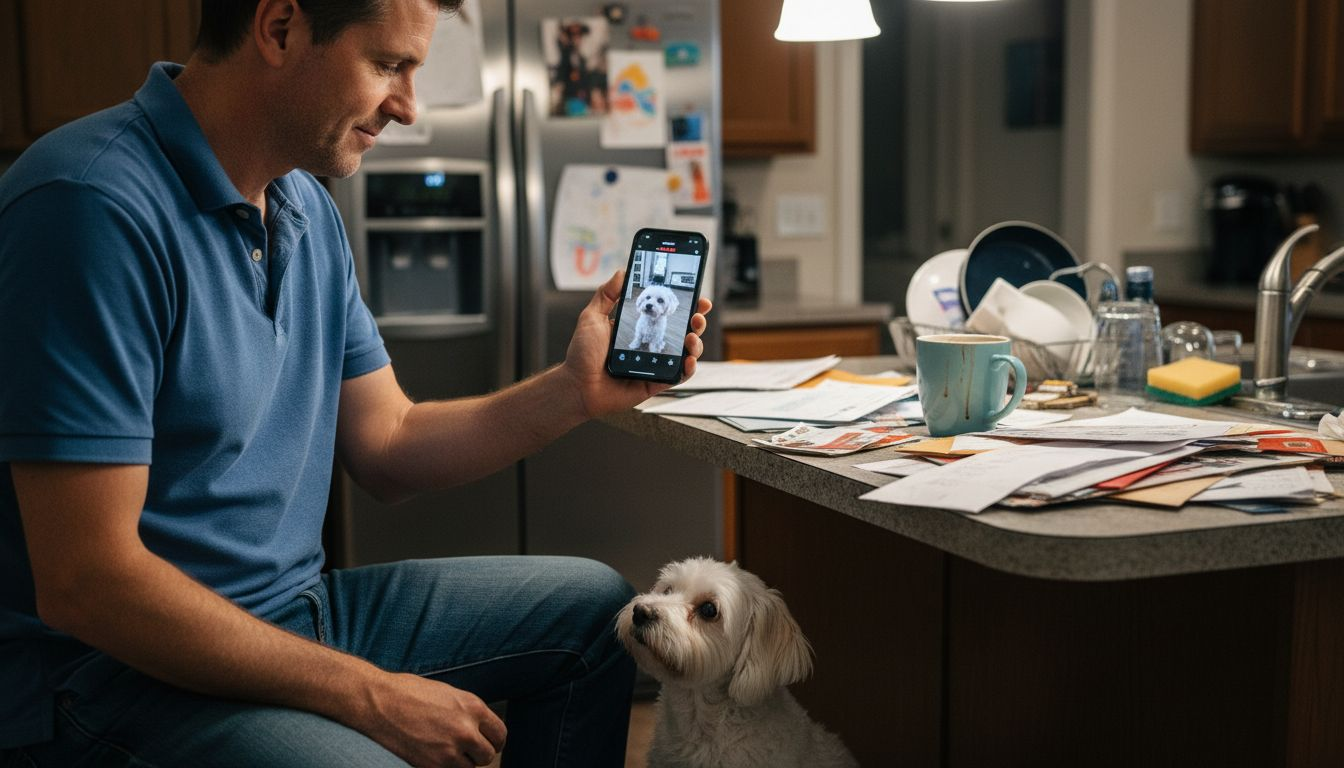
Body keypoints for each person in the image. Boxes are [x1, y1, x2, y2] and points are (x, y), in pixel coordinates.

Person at [0, 1, 710, 766]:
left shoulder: (303, 206)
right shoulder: (89, 204)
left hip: (291, 614)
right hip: (110, 674)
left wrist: (574, 389)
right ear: (278, 29)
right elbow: (87, 582)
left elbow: (389, 444)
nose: (408, 105)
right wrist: (367, 693)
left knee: (590, 613)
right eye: (387, 65)